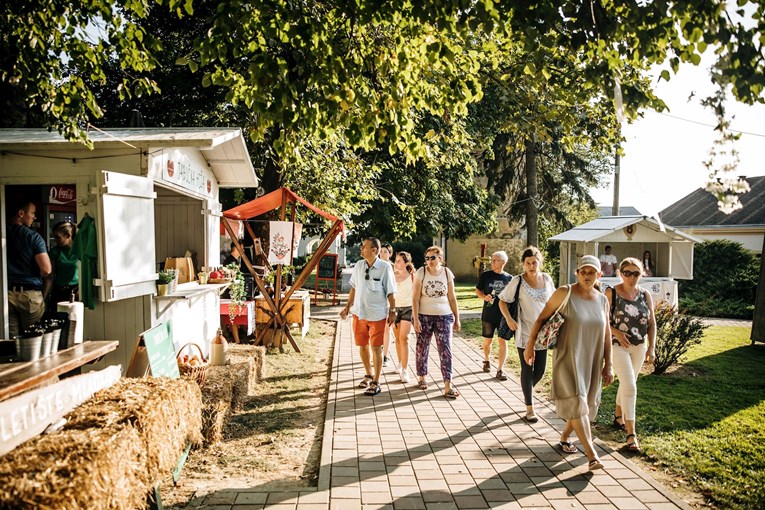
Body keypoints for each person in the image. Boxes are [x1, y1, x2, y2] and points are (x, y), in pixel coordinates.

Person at [525, 255, 613, 471]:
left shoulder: (602, 300)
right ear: (577, 272)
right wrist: (530, 345)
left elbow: (607, 333)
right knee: (577, 404)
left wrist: (608, 364)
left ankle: (565, 437)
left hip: (592, 360)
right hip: (568, 358)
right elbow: (541, 319)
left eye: (591, 272)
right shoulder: (565, 292)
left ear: (599, 275)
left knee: (585, 404)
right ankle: (592, 455)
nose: (586, 275)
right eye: (582, 271)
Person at [498, 246, 556, 422]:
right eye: (528, 263)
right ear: (523, 264)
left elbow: (554, 303)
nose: (531, 266)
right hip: (524, 332)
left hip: (543, 333)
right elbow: (502, 301)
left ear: (540, 263)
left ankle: (527, 392)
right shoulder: (518, 281)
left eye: (534, 263)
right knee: (527, 368)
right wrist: (509, 319)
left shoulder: (546, 279)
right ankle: (530, 408)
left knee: (540, 370)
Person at [606, 258, 656, 452]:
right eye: (627, 272)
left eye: (636, 273)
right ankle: (631, 434)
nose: (631, 277)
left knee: (628, 383)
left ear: (641, 274)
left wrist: (651, 347)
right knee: (630, 386)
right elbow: (602, 320)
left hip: (639, 346)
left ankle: (618, 416)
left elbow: (652, 323)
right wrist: (617, 332)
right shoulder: (611, 293)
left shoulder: (645, 294)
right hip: (617, 345)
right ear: (620, 273)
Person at [340, 238, 397, 396]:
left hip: (377, 314)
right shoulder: (359, 265)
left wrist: (393, 311)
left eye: (364, 247)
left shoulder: (385, 267)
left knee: (376, 347)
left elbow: (391, 292)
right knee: (362, 345)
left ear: (374, 250)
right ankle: (368, 374)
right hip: (359, 313)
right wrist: (347, 307)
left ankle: (376, 382)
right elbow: (353, 287)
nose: (361, 249)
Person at [412, 246, 461, 398]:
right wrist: (416, 319)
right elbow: (415, 298)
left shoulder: (447, 273)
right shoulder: (422, 272)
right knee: (422, 347)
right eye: (427, 258)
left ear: (440, 258)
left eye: (432, 258)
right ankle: (422, 377)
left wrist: (456, 318)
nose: (429, 261)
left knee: (445, 349)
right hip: (424, 315)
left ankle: (448, 385)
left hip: (444, 316)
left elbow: (452, 297)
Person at [6, 200, 52, 338]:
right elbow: (46, 269)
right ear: (21, 213)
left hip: (5, 294)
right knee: (33, 340)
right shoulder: (33, 237)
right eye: (32, 213)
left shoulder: (2, 233)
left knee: (10, 342)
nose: (34, 217)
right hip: (29, 296)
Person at [474, 251, 511, 380]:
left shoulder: (509, 278)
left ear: (503, 262)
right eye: (492, 259)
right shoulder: (485, 276)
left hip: (503, 315)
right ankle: (486, 360)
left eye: (495, 260)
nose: (492, 262)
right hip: (489, 314)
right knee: (488, 340)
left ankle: (500, 369)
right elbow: (477, 291)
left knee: (503, 341)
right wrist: (485, 297)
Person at [393, 251, 415, 383]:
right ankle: (400, 363)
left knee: (404, 338)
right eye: (396, 260)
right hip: (394, 309)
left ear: (407, 262)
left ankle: (405, 370)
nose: (397, 263)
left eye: (400, 260)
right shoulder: (391, 275)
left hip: (408, 308)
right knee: (397, 338)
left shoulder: (413, 276)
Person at [48, 221, 79, 309]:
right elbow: (50, 276)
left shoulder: (79, 250)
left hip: (76, 290)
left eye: (57, 237)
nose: (55, 240)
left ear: (68, 235)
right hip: (59, 291)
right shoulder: (54, 252)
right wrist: (44, 295)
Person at [379, 242, 394, 367]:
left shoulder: (393, 267)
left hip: (390, 303)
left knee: (386, 329)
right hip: (377, 303)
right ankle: (377, 352)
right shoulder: (375, 266)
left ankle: (385, 355)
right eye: (381, 251)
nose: (383, 253)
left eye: (385, 251)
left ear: (390, 254)